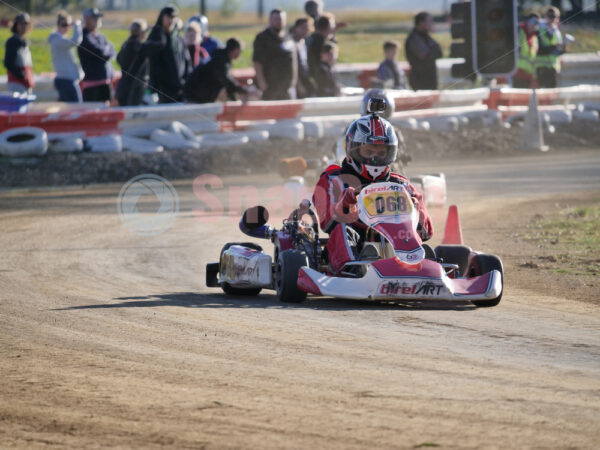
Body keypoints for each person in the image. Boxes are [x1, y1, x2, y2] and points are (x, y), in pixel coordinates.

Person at [312, 112, 433, 274]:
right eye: (369, 152)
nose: (375, 159)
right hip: (355, 242)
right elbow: (327, 225)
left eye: (381, 153)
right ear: (351, 149)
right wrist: (345, 205)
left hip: (396, 241)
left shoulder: (402, 184)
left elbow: (426, 233)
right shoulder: (333, 180)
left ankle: (419, 265)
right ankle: (355, 269)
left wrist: (417, 214)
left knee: (418, 241)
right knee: (342, 230)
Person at [146, 6, 192, 103]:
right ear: (162, 17)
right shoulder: (156, 37)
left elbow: (187, 62)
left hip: (180, 89)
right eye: (168, 17)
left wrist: (185, 84)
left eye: (173, 17)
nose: (170, 20)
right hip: (163, 90)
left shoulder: (178, 39)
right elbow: (153, 65)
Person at [184, 38, 248, 104]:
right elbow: (225, 80)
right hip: (195, 96)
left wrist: (236, 100)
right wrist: (243, 90)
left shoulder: (218, 56)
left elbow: (227, 84)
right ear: (236, 50)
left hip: (194, 94)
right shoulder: (221, 60)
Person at [252, 9, 297, 100]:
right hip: (270, 86)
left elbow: (293, 60)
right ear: (270, 20)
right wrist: (262, 83)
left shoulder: (288, 37)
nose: (278, 22)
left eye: (280, 19)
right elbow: (257, 61)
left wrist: (294, 81)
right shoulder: (263, 37)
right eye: (275, 19)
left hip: (286, 87)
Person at [78, 8, 115, 102]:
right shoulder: (83, 37)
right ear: (86, 19)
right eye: (94, 18)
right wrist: (106, 49)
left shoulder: (100, 36)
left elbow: (112, 51)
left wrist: (105, 50)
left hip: (105, 82)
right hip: (92, 85)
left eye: (98, 18)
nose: (97, 20)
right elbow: (100, 52)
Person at [115, 19, 152, 106]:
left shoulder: (126, 44)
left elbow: (118, 59)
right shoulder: (138, 46)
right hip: (134, 90)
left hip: (123, 87)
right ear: (142, 32)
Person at [48, 11, 82, 102]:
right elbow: (76, 40)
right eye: (64, 24)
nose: (67, 27)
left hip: (69, 80)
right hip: (65, 80)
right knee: (74, 107)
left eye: (69, 24)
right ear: (58, 25)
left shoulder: (62, 40)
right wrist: (77, 25)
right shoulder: (57, 40)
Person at [405, 12, 442, 91]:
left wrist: (433, 51)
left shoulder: (426, 36)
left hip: (430, 81)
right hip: (420, 82)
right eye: (429, 21)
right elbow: (426, 56)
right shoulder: (414, 38)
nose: (431, 24)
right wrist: (433, 51)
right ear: (421, 23)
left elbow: (439, 52)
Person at [4, 13, 34, 94]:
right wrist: (22, 75)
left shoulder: (24, 42)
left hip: (26, 82)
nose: (24, 26)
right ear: (15, 25)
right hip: (17, 83)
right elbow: (8, 63)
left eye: (26, 24)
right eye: (21, 23)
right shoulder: (13, 41)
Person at [536, 7, 565, 88]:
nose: (552, 19)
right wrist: (554, 47)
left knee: (552, 94)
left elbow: (558, 52)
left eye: (554, 17)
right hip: (541, 67)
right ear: (545, 17)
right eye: (549, 16)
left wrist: (564, 49)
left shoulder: (557, 32)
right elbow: (539, 49)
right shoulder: (539, 29)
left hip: (553, 68)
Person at [291, 17, 316, 99]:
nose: (306, 30)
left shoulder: (303, 42)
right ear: (296, 28)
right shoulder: (291, 43)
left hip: (304, 79)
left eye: (307, 28)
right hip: (295, 82)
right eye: (303, 28)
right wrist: (298, 84)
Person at [514, 13, 540, 89]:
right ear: (526, 21)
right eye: (533, 21)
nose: (535, 24)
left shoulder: (535, 37)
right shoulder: (519, 32)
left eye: (537, 23)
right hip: (517, 74)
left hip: (528, 75)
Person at [307, 13, 335, 81]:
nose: (333, 27)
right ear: (327, 27)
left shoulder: (315, 38)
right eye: (332, 25)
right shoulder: (319, 41)